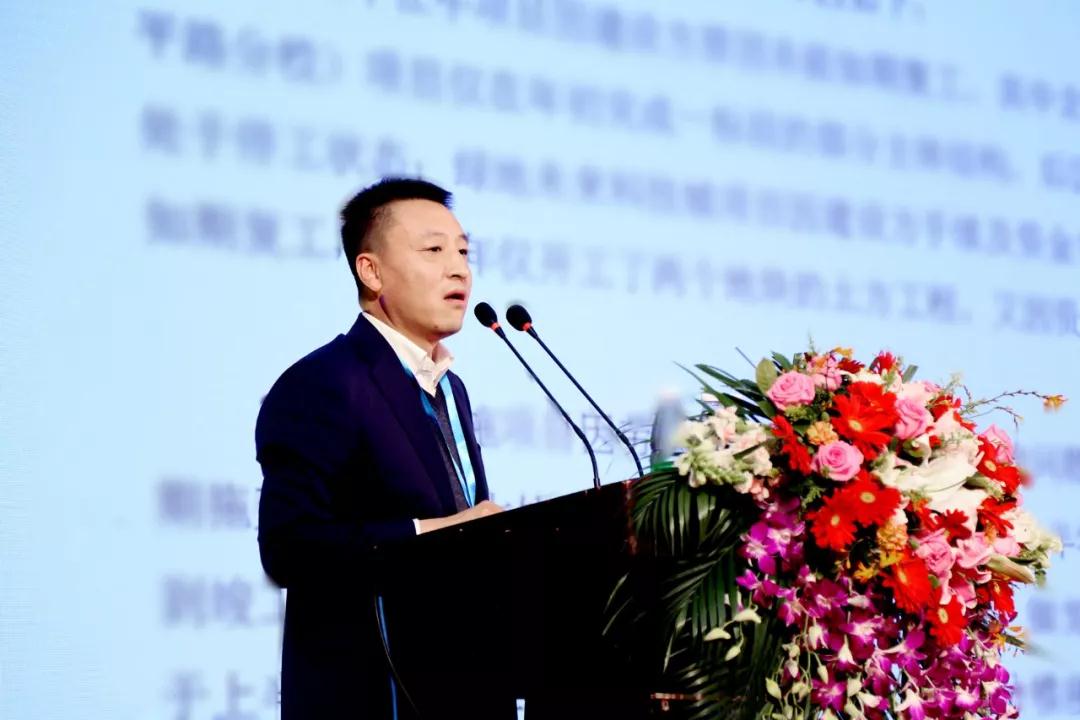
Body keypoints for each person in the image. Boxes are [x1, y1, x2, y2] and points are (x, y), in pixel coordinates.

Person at [255, 178, 508, 719]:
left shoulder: (452, 390)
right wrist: (432, 534)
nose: (459, 269)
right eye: (434, 250)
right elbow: (289, 549)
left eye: (464, 252)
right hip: (372, 698)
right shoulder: (322, 382)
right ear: (371, 272)